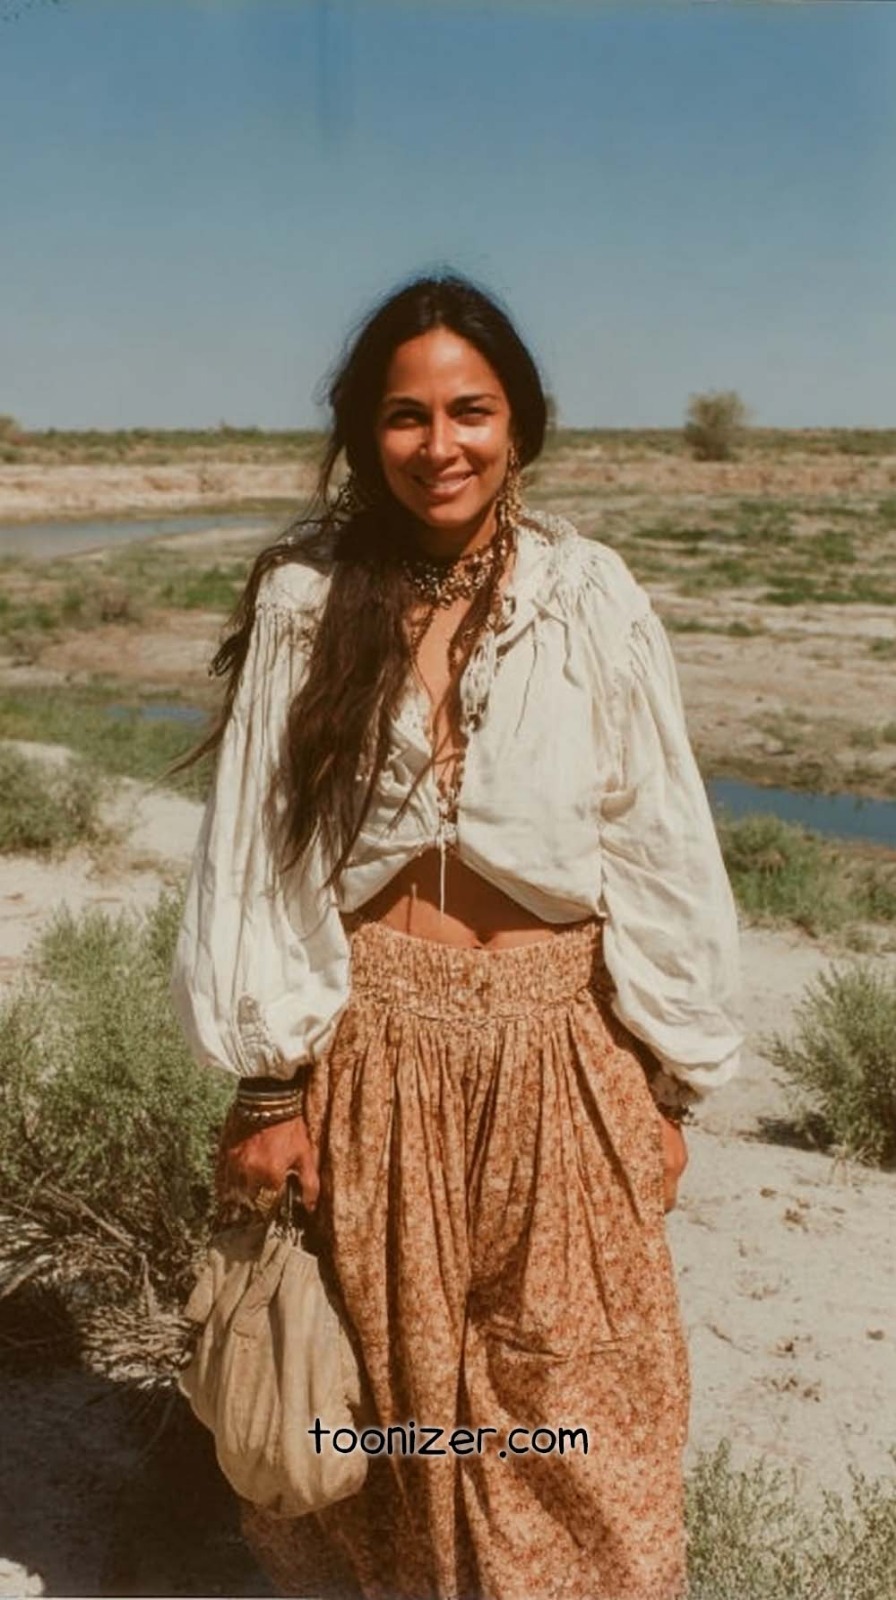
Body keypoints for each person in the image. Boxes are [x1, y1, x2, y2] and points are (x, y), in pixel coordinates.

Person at [171, 272, 742, 1600]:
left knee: (581, 1433)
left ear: (521, 423)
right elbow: (260, 850)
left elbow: (659, 836)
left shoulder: (587, 594)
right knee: (391, 1425)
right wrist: (269, 1081)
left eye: (471, 411)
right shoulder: (310, 601)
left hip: (565, 1060)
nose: (442, 447)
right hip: (369, 1061)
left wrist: (668, 1078)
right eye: (406, 416)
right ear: (367, 434)